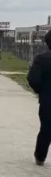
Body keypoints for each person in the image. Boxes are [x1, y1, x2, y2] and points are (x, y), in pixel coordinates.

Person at [27, 30, 51, 166]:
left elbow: (33, 78)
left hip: (48, 100)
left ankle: (40, 157)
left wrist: (40, 91)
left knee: (46, 129)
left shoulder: (41, 58)